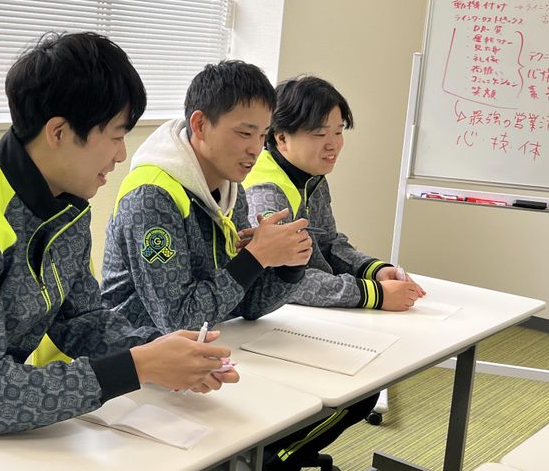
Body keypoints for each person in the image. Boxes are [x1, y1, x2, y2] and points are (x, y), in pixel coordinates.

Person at [0, 32, 238, 438]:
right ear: (58, 132)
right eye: (116, 136)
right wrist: (137, 366)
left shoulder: (65, 206)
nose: (121, 155)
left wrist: (163, 353)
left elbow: (82, 321)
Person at [101, 61, 359, 470]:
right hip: (142, 369)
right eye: (244, 133)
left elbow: (248, 305)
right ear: (200, 125)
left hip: (208, 349)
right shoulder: (153, 196)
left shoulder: (227, 186)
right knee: (271, 422)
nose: (256, 148)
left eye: (262, 134)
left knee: (346, 395)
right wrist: (255, 258)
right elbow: (178, 318)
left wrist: (288, 264)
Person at [241, 75, 425, 469]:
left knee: (367, 385)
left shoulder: (310, 175)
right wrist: (373, 295)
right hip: (265, 323)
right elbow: (287, 283)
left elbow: (329, 242)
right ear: (281, 137)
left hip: (304, 317)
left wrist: (375, 270)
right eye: (319, 133)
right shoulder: (265, 190)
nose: (333, 144)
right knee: (360, 393)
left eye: (339, 132)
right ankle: (270, 461)